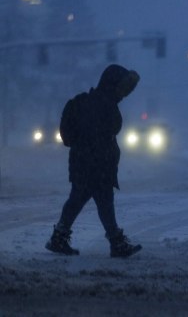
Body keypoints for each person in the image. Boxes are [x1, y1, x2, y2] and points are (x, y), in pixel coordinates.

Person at [46, 64, 143, 258]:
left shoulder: (89, 102)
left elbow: (72, 136)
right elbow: (104, 132)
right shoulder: (103, 105)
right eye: (122, 88)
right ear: (112, 85)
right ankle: (115, 242)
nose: (124, 94)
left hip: (86, 162)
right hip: (97, 164)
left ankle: (60, 237)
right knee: (100, 201)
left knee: (81, 200)